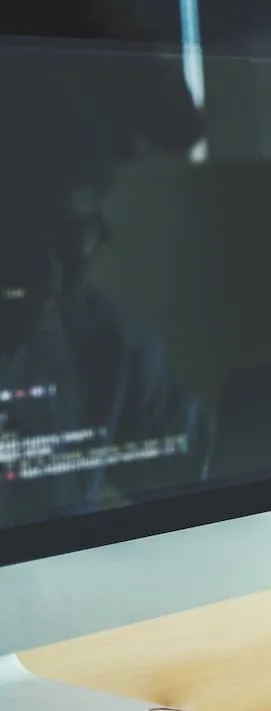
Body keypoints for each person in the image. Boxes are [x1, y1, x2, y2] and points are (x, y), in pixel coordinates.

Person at [0, 38, 215, 528]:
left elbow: (209, 467)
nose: (54, 269)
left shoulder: (104, 341)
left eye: (75, 235)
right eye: (28, 232)